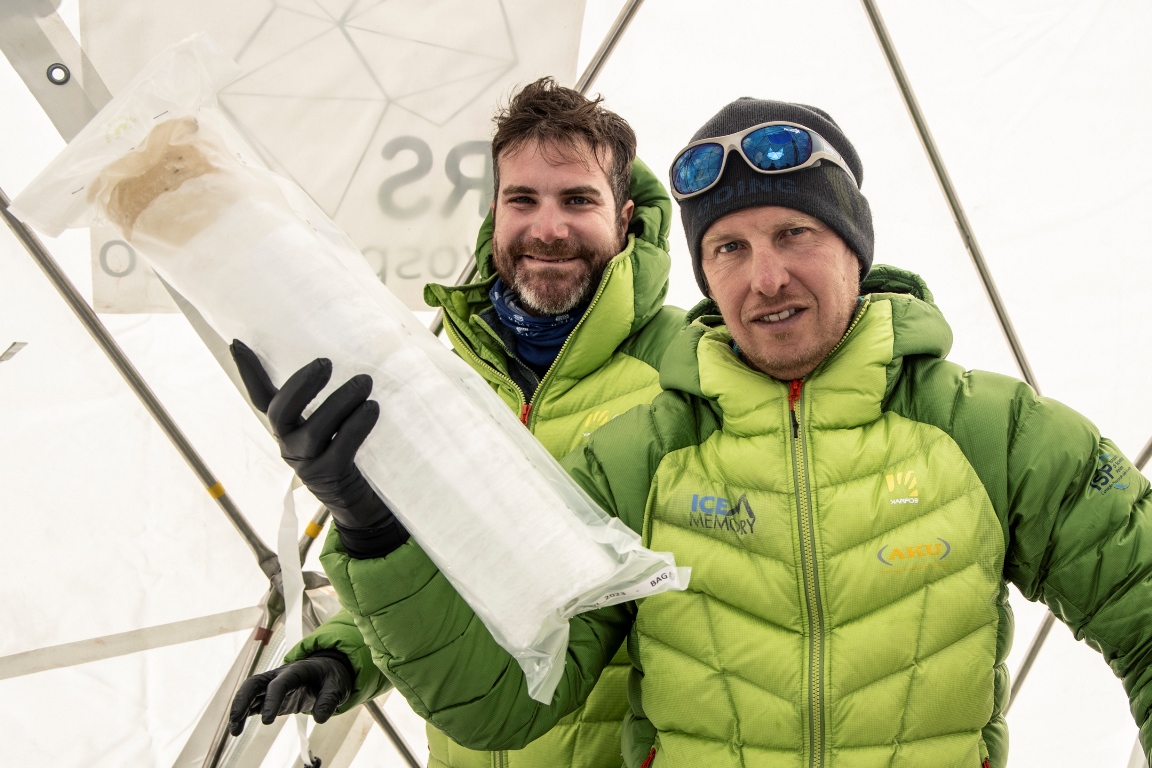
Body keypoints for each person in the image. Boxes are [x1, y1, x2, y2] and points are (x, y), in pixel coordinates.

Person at [240, 97, 1152, 768]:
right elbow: (510, 694)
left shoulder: (989, 431)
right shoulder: (636, 451)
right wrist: (369, 531)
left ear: (854, 246)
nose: (766, 279)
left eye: (796, 232)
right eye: (731, 248)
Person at [227, 78, 687, 768]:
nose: (549, 228)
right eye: (522, 199)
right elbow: (450, 570)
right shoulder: (443, 373)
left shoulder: (686, 370)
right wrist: (348, 655)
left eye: (578, 201)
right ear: (493, 217)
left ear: (624, 220)